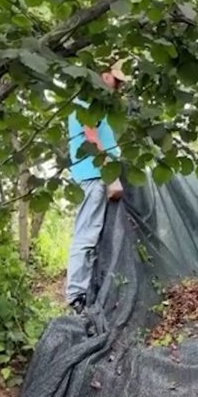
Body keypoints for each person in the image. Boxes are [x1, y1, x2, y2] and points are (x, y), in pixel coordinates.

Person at [65, 63, 128, 313]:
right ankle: (76, 296)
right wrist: (108, 172)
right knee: (87, 233)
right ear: (103, 75)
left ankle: (90, 290)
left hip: (100, 173)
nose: (119, 87)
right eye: (116, 80)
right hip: (93, 174)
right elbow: (91, 136)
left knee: (99, 233)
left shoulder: (100, 105)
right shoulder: (86, 101)